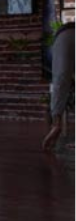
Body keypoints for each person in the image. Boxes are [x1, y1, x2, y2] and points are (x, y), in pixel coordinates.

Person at [44, 22, 73, 151]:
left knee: (60, 80)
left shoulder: (64, 38)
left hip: (65, 35)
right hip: (66, 35)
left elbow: (60, 82)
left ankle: (56, 124)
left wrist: (56, 123)